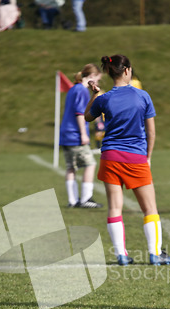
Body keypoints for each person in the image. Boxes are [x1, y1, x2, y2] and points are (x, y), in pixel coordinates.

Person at [85, 54, 170, 266]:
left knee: (114, 207)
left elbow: (87, 117)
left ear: (109, 72)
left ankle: (121, 254)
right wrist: (148, 157)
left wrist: (95, 94)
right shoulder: (142, 96)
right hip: (135, 157)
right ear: (127, 70)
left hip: (110, 157)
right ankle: (155, 253)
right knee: (150, 208)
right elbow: (151, 132)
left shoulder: (104, 98)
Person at [60, 64, 103, 208]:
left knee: (71, 167)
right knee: (90, 164)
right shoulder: (81, 90)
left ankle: (72, 201)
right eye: (98, 79)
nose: (98, 83)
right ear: (91, 77)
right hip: (75, 135)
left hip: (66, 134)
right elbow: (79, 113)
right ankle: (85, 198)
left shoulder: (73, 89)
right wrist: (84, 134)